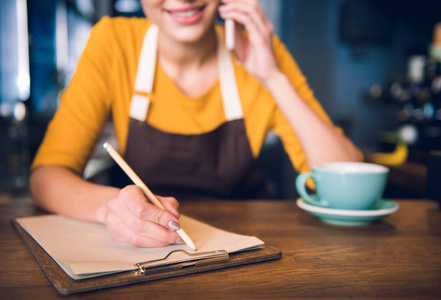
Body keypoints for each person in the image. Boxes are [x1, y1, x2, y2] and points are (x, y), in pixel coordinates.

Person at [29, 0, 361, 248]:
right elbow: (45, 177)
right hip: (139, 256)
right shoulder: (113, 42)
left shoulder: (259, 51)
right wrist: (111, 210)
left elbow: (351, 183)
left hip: (242, 256)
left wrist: (272, 77)